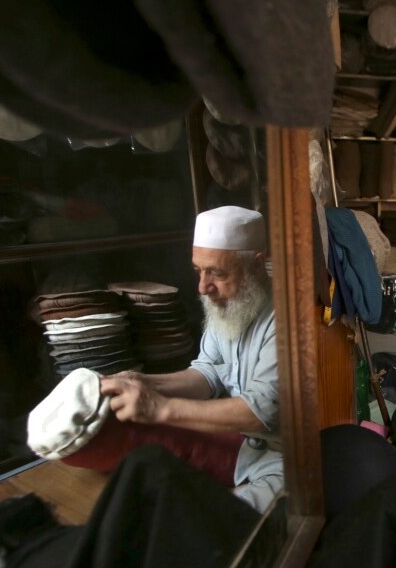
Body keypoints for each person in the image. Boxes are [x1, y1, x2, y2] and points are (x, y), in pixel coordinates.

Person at [99, 205, 281, 512]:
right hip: (245, 444)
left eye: (217, 273)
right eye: (199, 271)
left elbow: (259, 411)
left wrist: (161, 407)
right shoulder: (230, 303)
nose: (203, 287)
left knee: (219, 524)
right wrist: (144, 381)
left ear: (256, 265)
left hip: (288, 456)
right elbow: (208, 372)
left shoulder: (285, 316)